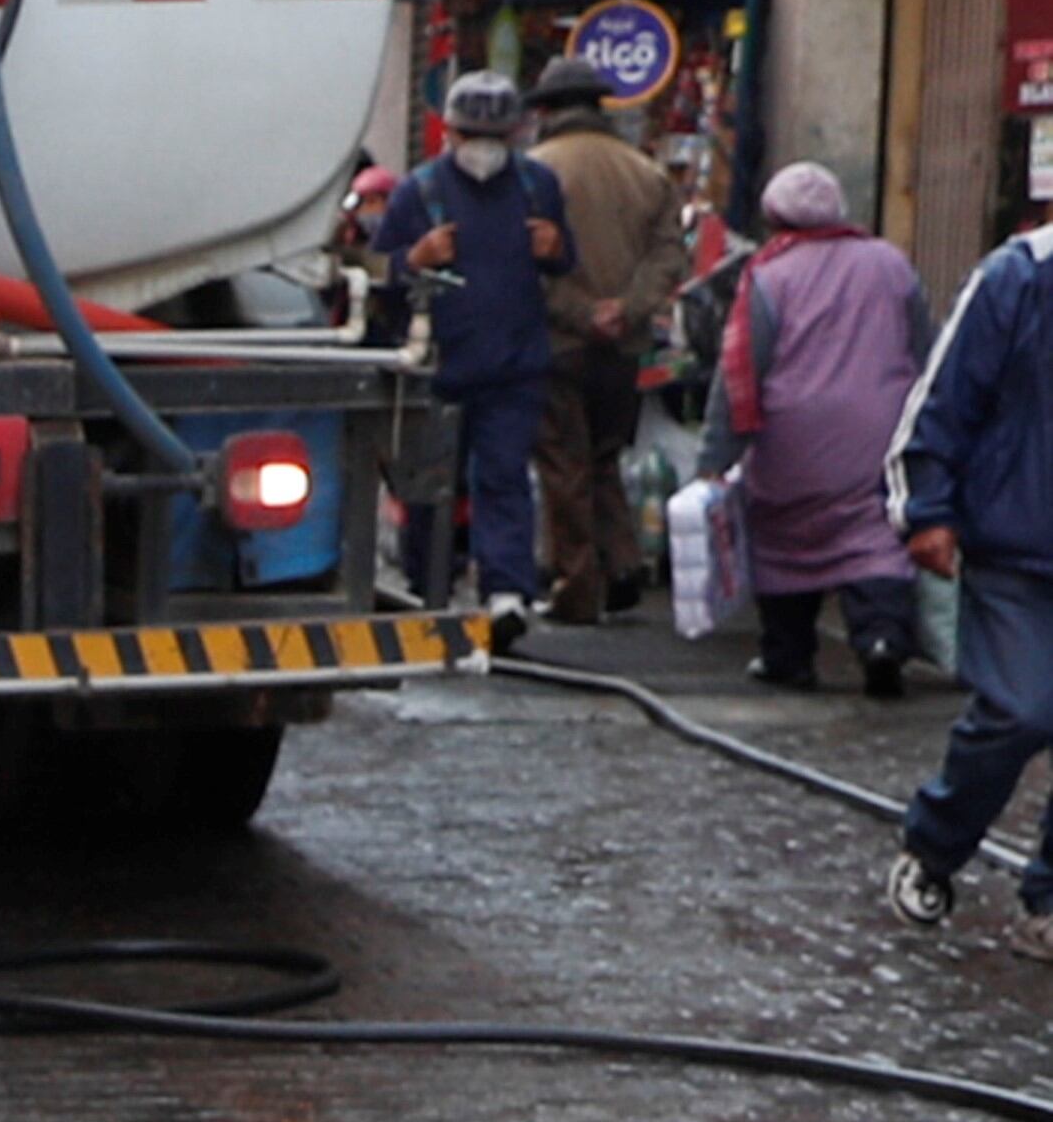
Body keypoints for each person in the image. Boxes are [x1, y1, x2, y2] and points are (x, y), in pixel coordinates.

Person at [887, 212, 1053, 954]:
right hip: (1019, 541)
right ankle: (934, 843)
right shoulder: (1018, 276)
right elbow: (944, 400)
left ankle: (1048, 900)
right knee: (1021, 709)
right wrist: (926, 508)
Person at [699, 163, 928, 699]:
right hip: (879, 431)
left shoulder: (768, 277)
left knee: (782, 544)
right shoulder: (890, 263)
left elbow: (738, 375)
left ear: (773, 217)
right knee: (875, 537)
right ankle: (881, 641)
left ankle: (788, 655)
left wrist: (714, 457)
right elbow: (925, 347)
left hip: (791, 438)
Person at [370, 71, 574, 635]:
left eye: (496, 136)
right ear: (449, 133)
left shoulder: (539, 187)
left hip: (514, 364)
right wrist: (415, 257)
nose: (482, 148)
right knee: (432, 484)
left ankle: (506, 590)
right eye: (470, 134)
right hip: (440, 365)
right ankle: (427, 584)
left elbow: (565, 259)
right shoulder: (418, 192)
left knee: (503, 475)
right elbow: (373, 272)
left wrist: (556, 248)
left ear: (516, 134)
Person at [525, 54, 689, 622]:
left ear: (544, 111)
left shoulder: (534, 172)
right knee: (604, 453)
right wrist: (628, 309)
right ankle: (621, 565)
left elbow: (527, 267)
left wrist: (583, 312)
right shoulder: (645, 171)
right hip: (622, 346)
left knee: (562, 464)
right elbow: (669, 253)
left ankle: (576, 587)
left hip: (557, 341)